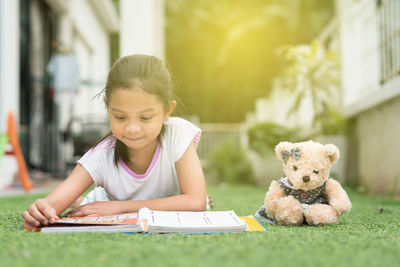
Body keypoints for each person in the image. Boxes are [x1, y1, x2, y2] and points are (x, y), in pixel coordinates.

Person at [22, 54, 207, 231]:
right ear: (107, 107)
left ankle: (85, 201)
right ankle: (82, 201)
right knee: (88, 204)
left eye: (145, 117)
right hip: (103, 203)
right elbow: (50, 205)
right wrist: (41, 210)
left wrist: (120, 207)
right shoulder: (102, 154)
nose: (132, 128)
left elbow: (195, 202)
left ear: (168, 110)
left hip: (113, 206)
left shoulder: (177, 134)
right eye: (120, 116)